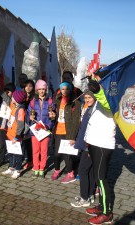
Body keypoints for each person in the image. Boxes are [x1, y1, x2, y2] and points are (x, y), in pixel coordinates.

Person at [83, 75, 116, 224]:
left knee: (101, 179)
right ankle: (102, 205)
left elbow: (108, 104)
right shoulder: (99, 97)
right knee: (98, 177)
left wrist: (97, 90)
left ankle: (107, 213)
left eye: (98, 80)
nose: (96, 82)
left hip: (103, 144)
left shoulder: (109, 96)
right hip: (95, 143)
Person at [50, 82, 81, 184]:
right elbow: (57, 114)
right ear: (60, 90)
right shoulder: (58, 100)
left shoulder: (75, 102)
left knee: (67, 155)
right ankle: (57, 169)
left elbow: (77, 120)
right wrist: (53, 116)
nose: (65, 91)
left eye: (67, 89)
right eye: (63, 89)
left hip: (68, 132)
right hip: (58, 130)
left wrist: (72, 136)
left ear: (70, 89)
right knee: (57, 154)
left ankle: (70, 173)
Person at [70, 90, 97, 208]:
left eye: (89, 98)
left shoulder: (95, 111)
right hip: (87, 144)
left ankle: (84, 198)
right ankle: (90, 194)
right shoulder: (89, 109)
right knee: (90, 170)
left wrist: (90, 146)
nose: (87, 100)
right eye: (85, 98)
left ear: (95, 98)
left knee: (82, 170)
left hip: (90, 145)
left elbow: (93, 130)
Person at [27, 79, 54, 178]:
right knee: (35, 150)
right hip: (35, 130)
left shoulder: (50, 101)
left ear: (46, 90)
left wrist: (48, 125)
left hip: (45, 130)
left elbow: (52, 117)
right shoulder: (33, 102)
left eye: (43, 89)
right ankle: (36, 167)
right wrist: (30, 118)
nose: (42, 91)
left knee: (44, 151)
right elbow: (28, 114)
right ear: (37, 90)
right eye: (40, 89)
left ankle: (42, 168)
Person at [2, 90, 26, 179]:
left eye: (13, 97)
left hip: (16, 137)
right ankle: (11, 167)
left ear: (17, 99)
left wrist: (16, 137)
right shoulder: (14, 106)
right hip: (10, 134)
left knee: (18, 154)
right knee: (11, 153)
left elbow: (20, 125)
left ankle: (18, 169)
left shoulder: (20, 110)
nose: (11, 98)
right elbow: (5, 97)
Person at [0, 83, 16, 167]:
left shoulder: (13, 101)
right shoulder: (2, 100)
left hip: (10, 126)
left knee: (10, 144)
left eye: (9, 92)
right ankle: (1, 159)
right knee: (2, 144)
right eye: (6, 92)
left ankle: (12, 161)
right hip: (1, 125)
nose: (7, 94)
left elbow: (5, 97)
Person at [22, 79, 35, 169]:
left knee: (30, 142)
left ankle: (31, 160)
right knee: (24, 141)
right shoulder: (21, 96)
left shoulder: (34, 97)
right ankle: (27, 158)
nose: (28, 88)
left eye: (30, 86)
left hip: (31, 121)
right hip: (22, 121)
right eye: (26, 86)